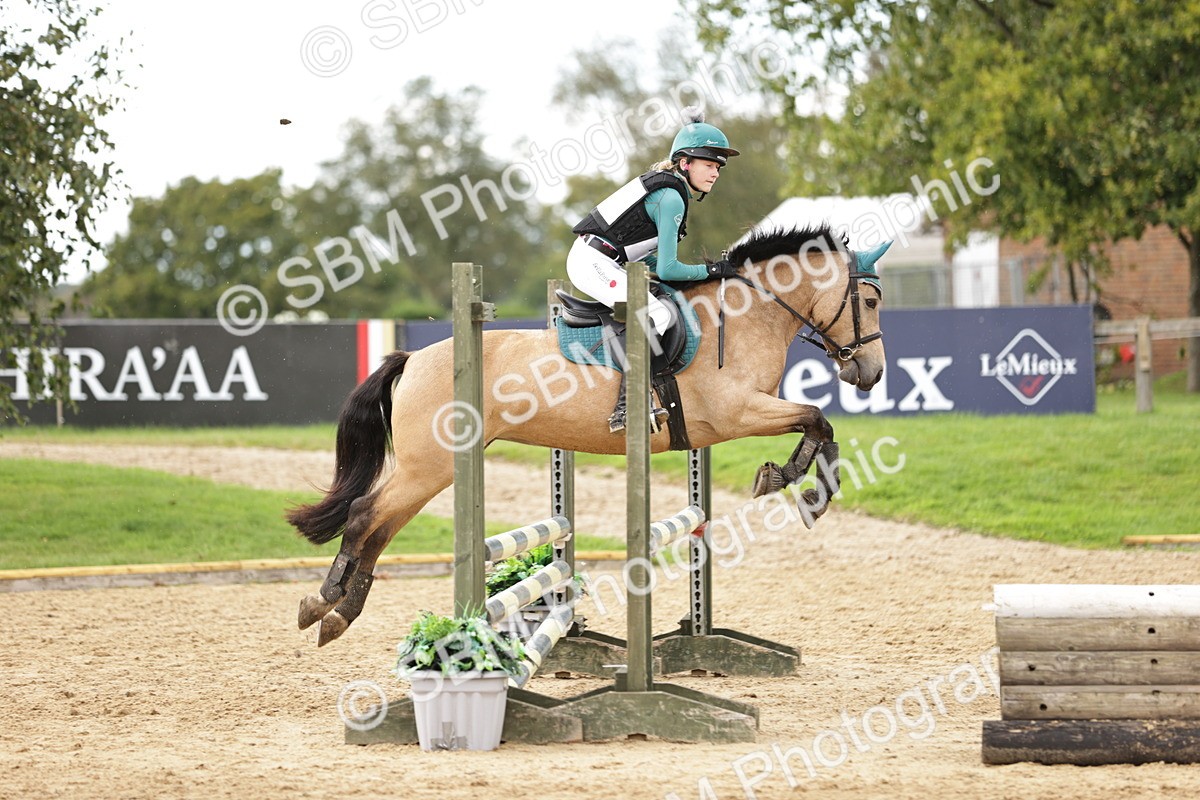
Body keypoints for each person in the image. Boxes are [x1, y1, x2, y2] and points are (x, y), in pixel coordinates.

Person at [568, 108, 740, 432]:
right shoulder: (671, 197)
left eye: (718, 167)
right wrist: (714, 270)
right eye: (708, 164)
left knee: (667, 301)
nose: (715, 173)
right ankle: (628, 406)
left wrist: (704, 272)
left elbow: (649, 262)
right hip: (592, 262)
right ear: (684, 163)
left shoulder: (670, 191)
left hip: (603, 259)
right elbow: (669, 267)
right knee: (658, 314)